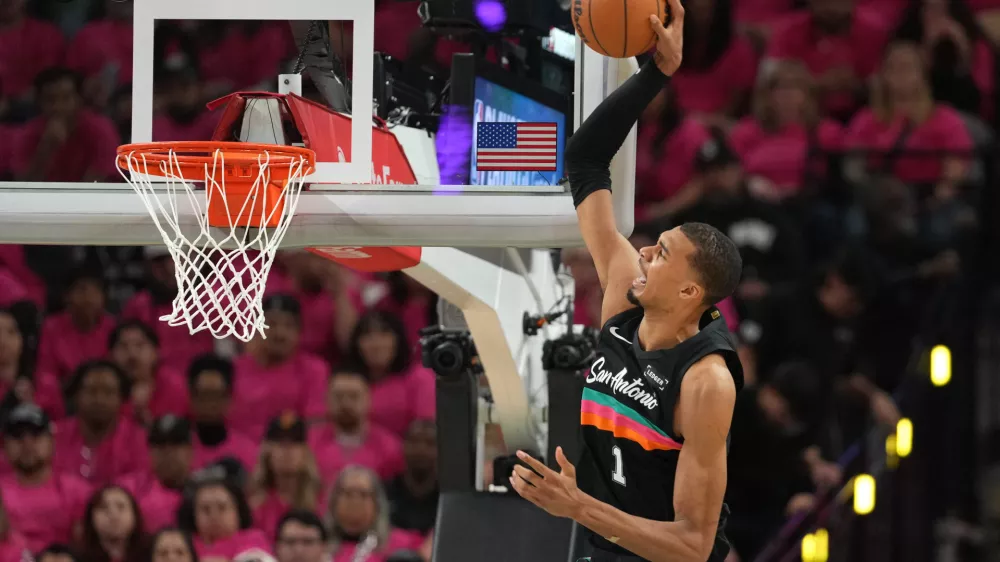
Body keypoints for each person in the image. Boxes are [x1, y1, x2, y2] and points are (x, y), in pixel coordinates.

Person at [508, 5, 746, 562]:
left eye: (661, 254)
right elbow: (586, 159)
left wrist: (578, 507)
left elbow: (692, 545)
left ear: (691, 293)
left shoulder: (706, 384)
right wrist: (656, 75)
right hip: (601, 547)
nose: (642, 252)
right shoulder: (625, 290)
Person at [0, 404, 91, 553]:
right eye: (18, 436)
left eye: (35, 435)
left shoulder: (78, 491)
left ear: (52, 442)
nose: (27, 444)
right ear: (4, 446)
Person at [54, 360, 149, 483]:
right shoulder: (55, 436)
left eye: (108, 392)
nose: (99, 399)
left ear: (121, 397)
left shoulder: (139, 439)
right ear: (76, 396)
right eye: (91, 391)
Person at [308, 369, 404, 485]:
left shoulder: (390, 448)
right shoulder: (310, 444)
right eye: (338, 396)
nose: (346, 403)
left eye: (354, 396)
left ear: (368, 399)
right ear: (326, 400)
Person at [248, 414, 322, 541]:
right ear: (267, 453)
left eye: (294, 443)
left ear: (305, 452)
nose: (287, 450)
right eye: (280, 443)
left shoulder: (321, 501)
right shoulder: (255, 508)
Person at [325, 466, 423, 562]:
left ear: (377, 504)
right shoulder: (316, 542)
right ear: (333, 502)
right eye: (348, 494)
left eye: (363, 495)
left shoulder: (402, 544)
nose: (355, 503)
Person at [118, 415, 193, 531]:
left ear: (190, 451)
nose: (168, 452)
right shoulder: (130, 489)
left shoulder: (202, 491)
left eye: (175, 445)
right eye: (160, 446)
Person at [187, 355, 258, 471]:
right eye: (204, 395)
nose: (210, 403)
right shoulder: (180, 451)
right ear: (192, 398)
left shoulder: (248, 453)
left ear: (229, 398)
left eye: (216, 395)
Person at [176, 477, 271, 560]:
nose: (214, 515)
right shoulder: (183, 544)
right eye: (205, 509)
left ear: (238, 511)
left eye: (222, 507)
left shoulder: (254, 539)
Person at [385, 420, 438, 536]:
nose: (421, 449)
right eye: (414, 442)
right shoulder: (385, 493)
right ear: (403, 446)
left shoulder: (447, 497)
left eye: (430, 443)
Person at [79, 485, 149, 562]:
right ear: (91, 517)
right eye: (103, 507)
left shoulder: (150, 554)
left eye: (121, 507)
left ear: (135, 515)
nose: (113, 515)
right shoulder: (77, 558)